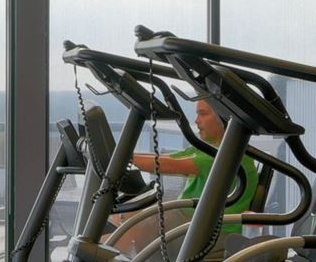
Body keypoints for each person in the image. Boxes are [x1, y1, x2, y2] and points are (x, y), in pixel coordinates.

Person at [112, 97, 264, 250]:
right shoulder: (208, 147)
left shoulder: (229, 154)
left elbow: (171, 165)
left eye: (203, 114)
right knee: (125, 212)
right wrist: (123, 155)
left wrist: (122, 158)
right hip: (189, 218)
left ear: (224, 117)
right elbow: (170, 157)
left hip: (210, 230)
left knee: (130, 218)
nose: (197, 121)